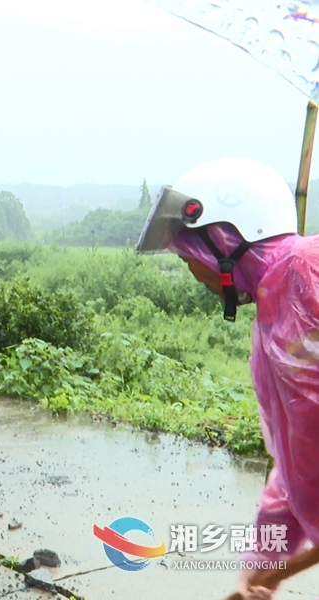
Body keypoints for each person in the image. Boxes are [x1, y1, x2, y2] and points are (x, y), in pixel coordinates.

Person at [136, 157, 315, 600]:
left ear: (225, 239)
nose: (193, 272)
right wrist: (256, 573)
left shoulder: (307, 274)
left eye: (190, 257)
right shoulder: (272, 317)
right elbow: (296, 467)